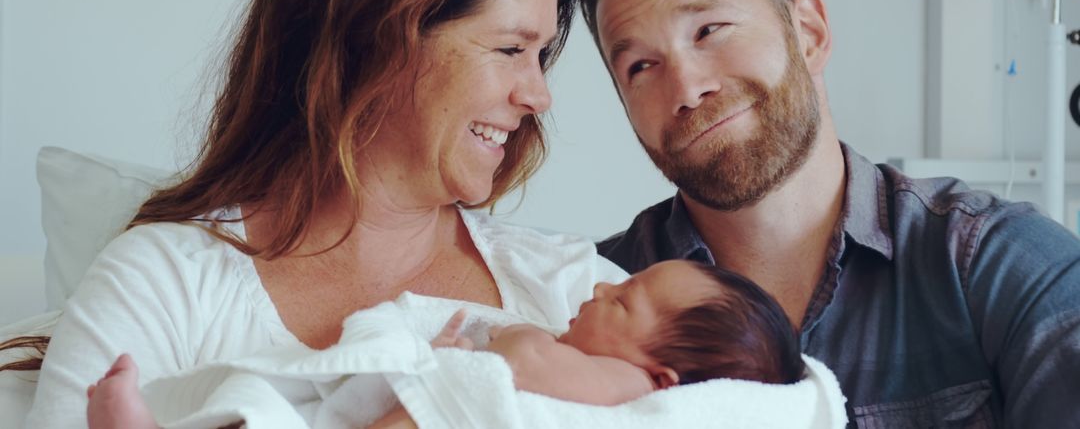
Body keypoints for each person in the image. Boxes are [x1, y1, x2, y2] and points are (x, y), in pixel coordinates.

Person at [16, 0, 630, 426]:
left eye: (541, 54)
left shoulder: (584, 299)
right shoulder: (162, 286)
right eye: (509, 49)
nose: (537, 94)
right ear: (378, 35)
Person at [580, 0, 1080, 427]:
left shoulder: (1003, 265)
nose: (686, 87)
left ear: (809, 33)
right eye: (640, 66)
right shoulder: (581, 290)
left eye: (709, 30)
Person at [84, 259, 806, 428]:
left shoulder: (635, 397)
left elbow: (522, 364)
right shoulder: (159, 271)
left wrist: (509, 344)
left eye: (621, 301)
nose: (596, 288)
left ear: (664, 377)